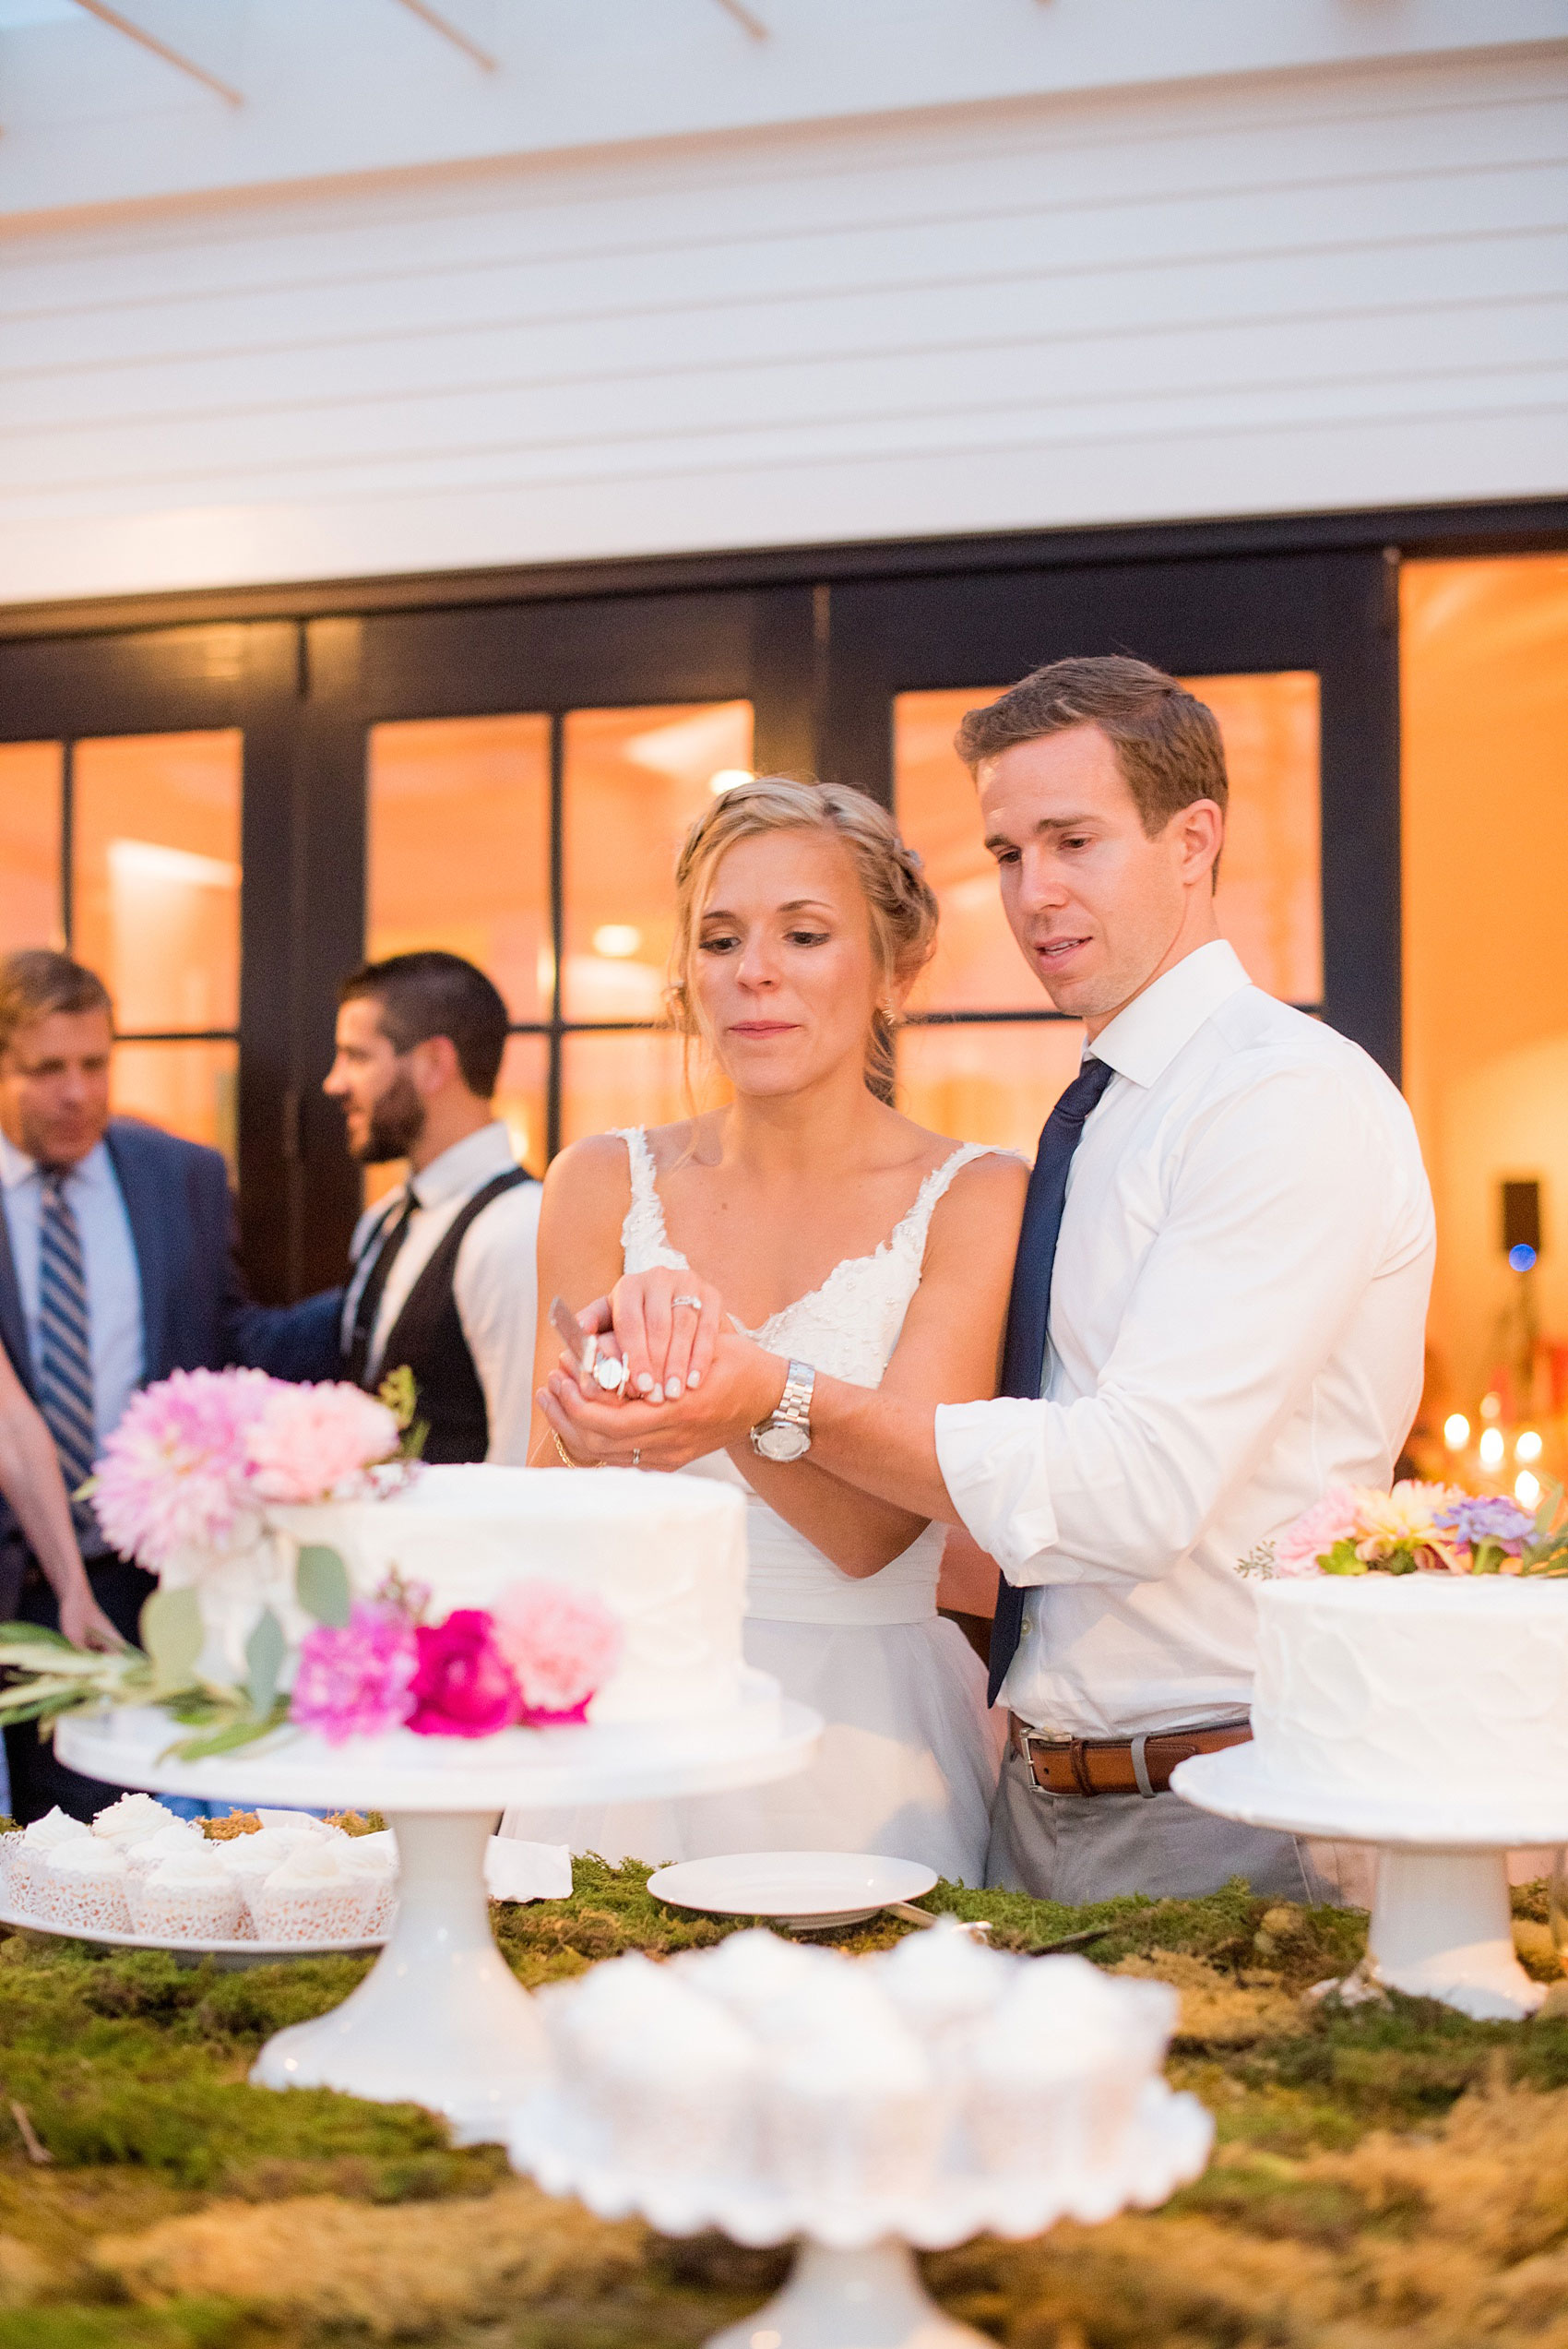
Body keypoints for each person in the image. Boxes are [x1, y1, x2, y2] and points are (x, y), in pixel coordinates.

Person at [543, 659, 1436, 1906]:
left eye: (1074, 841)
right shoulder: (1108, 1111)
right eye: (1009, 852)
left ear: (1197, 840)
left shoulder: (1277, 1099)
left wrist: (756, 1392)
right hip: (1047, 1789)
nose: (1035, 892)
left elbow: (1134, 1489)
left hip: (1233, 1793)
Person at [508, 779, 1025, 1885]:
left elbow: (876, 1530)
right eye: (720, 937)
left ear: (892, 969)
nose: (755, 971)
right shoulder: (598, 1179)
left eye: (804, 933)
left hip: (856, 1741)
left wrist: (711, 1377)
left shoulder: (977, 1195)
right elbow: (546, 1494)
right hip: (614, 1726)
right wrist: (594, 1437)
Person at [0, 948, 342, 1820]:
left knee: (109, 1844)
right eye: (48, 1070)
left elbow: (228, 1341)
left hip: (127, 1584)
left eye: (95, 1063)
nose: (80, 1092)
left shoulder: (176, 1175)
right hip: (14, 1567)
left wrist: (374, 1298)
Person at [327, 952, 541, 1465]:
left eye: (357, 1057)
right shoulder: (382, 1221)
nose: (334, 1083)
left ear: (433, 1064)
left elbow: (526, 1463)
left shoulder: (517, 1230)